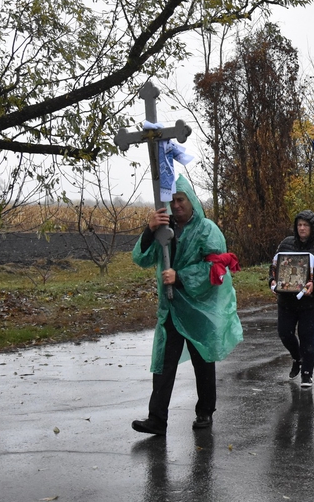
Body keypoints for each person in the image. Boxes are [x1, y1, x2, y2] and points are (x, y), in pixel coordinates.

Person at [131, 176, 242, 435]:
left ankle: (205, 411)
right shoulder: (163, 230)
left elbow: (215, 268)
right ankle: (156, 419)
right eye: (172, 201)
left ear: (191, 201)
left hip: (199, 307)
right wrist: (149, 230)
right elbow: (142, 258)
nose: (176, 206)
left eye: (180, 200)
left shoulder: (206, 229)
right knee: (163, 363)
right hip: (169, 308)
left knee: (202, 361)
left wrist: (180, 277)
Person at [271, 210, 314, 389]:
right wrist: (273, 280)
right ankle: (297, 357)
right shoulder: (286, 243)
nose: (302, 228)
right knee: (285, 333)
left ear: (312, 227)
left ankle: (307, 374)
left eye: (305, 225)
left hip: (312, 301)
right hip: (287, 299)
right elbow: (275, 266)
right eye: (299, 225)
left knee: (307, 335)